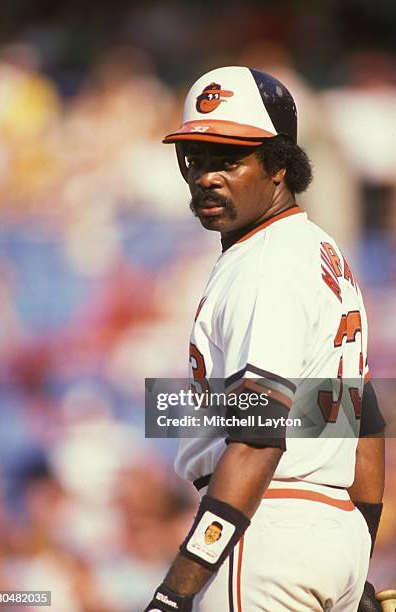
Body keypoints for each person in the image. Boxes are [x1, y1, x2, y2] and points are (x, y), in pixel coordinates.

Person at [144, 66, 386, 612]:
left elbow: (256, 437)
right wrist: (355, 556)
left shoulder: (266, 265)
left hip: (262, 526)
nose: (206, 176)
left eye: (229, 159)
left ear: (278, 165)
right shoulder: (322, 253)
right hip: (331, 533)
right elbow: (362, 418)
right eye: (195, 159)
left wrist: (174, 592)